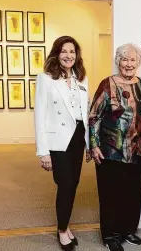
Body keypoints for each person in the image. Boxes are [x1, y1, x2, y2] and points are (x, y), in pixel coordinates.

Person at [89, 43, 141, 251]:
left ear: (138, 63)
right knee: (111, 194)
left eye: (133, 60)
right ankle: (110, 235)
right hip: (111, 151)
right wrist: (94, 145)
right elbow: (93, 117)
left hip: (138, 151)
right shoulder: (106, 84)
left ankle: (127, 230)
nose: (128, 64)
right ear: (118, 61)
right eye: (124, 59)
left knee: (133, 193)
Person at [34, 36, 89, 251]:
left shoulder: (81, 78)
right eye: (64, 51)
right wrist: (43, 152)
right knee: (65, 184)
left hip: (78, 137)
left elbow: (85, 112)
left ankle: (65, 226)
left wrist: (88, 143)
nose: (69, 56)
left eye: (72, 52)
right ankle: (62, 229)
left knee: (73, 184)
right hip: (58, 140)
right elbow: (39, 115)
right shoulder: (45, 78)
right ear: (56, 53)